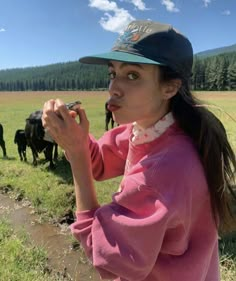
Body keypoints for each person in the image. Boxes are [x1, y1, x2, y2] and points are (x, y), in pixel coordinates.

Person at [42, 20, 236, 281]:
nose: (114, 88)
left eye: (132, 75)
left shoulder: (163, 169)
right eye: (113, 73)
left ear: (170, 87)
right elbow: (99, 161)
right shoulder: (153, 129)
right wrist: (75, 138)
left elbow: (104, 250)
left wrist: (75, 153)